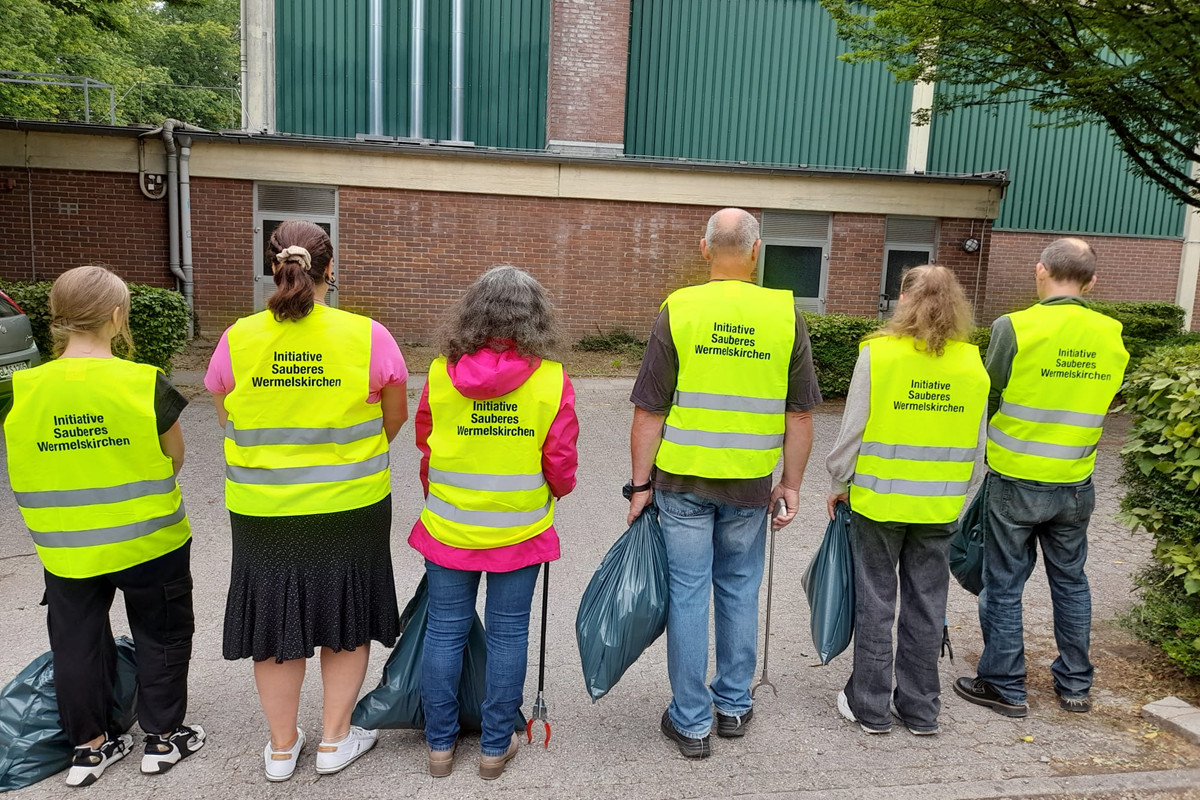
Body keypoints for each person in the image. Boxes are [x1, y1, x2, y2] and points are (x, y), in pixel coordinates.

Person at [204, 220, 408, 781]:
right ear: (330, 269)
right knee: (346, 615)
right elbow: (393, 417)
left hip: (262, 510)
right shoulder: (369, 336)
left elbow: (230, 418)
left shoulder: (237, 339)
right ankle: (335, 741)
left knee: (274, 621)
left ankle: (280, 747)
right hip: (351, 505)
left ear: (274, 267)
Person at [627, 208, 820, 759]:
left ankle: (690, 722)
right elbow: (801, 414)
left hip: (682, 482)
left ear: (706, 249)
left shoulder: (679, 309)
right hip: (750, 486)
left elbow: (648, 411)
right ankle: (733, 704)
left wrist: (640, 487)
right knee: (739, 587)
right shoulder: (785, 314)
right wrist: (792, 483)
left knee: (688, 594)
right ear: (756, 251)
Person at [4, 266, 203, 787]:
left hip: (66, 549)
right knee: (162, 634)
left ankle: (90, 749)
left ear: (57, 319)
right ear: (118, 317)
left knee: (77, 642)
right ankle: (163, 739)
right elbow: (174, 457)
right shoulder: (144, 382)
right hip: (150, 540)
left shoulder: (21, 387)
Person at [410, 265, 578, 780]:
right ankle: (494, 747)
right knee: (508, 636)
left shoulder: (440, 373)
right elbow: (561, 463)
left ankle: (440, 747)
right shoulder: (552, 380)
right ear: (536, 319)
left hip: (448, 530)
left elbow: (426, 446)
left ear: (473, 313)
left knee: (444, 631)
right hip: (519, 533)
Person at [954, 238, 1129, 717]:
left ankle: (1004, 685)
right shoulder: (1111, 332)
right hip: (1076, 481)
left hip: (1015, 479)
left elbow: (987, 391)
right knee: (1071, 582)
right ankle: (1075, 685)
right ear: (1091, 282)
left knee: (1005, 583)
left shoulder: (1014, 326)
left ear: (1039, 271)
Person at [825, 265, 989, 735]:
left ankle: (871, 707)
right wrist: (960, 497)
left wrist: (839, 482)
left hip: (879, 502)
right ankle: (920, 709)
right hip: (939, 507)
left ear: (903, 300)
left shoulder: (879, 355)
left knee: (875, 602)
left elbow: (853, 429)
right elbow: (978, 449)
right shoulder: (972, 364)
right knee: (927, 605)